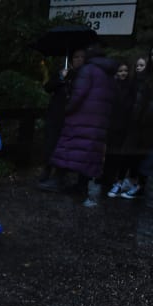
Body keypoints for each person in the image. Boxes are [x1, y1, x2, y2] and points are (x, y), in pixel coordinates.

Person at [39, 43, 118, 207]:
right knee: (89, 152)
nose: (81, 59)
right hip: (98, 121)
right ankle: (81, 185)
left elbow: (79, 95)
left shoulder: (88, 71)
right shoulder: (108, 74)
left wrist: (68, 109)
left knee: (68, 148)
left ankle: (58, 180)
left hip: (82, 119)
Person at [39, 48, 85, 182]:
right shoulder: (63, 73)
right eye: (76, 57)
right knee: (50, 143)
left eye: (82, 57)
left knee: (65, 146)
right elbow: (48, 87)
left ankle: (60, 174)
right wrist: (61, 77)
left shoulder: (84, 76)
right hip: (56, 115)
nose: (79, 60)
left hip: (72, 117)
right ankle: (47, 169)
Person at [122, 51, 153, 199]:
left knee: (145, 157)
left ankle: (140, 185)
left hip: (147, 125)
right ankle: (134, 182)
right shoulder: (140, 80)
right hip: (139, 123)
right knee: (136, 155)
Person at [103, 60, 137, 197]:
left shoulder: (130, 87)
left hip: (123, 124)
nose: (123, 73)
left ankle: (113, 178)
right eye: (120, 71)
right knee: (109, 152)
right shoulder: (112, 85)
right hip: (112, 123)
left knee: (117, 154)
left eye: (125, 71)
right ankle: (106, 177)